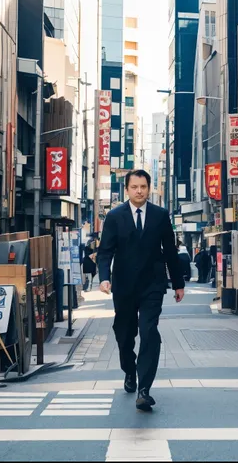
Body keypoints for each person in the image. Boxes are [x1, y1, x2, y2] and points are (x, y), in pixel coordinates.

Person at [97, 169, 185, 412]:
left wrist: (178, 283)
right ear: (127, 189)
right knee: (124, 334)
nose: (139, 191)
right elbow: (105, 252)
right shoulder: (115, 216)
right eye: (134, 187)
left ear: (149, 188)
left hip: (152, 285)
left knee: (149, 332)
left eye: (143, 187)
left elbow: (170, 251)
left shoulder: (160, 215)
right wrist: (104, 278)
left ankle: (144, 389)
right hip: (123, 286)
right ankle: (129, 370)